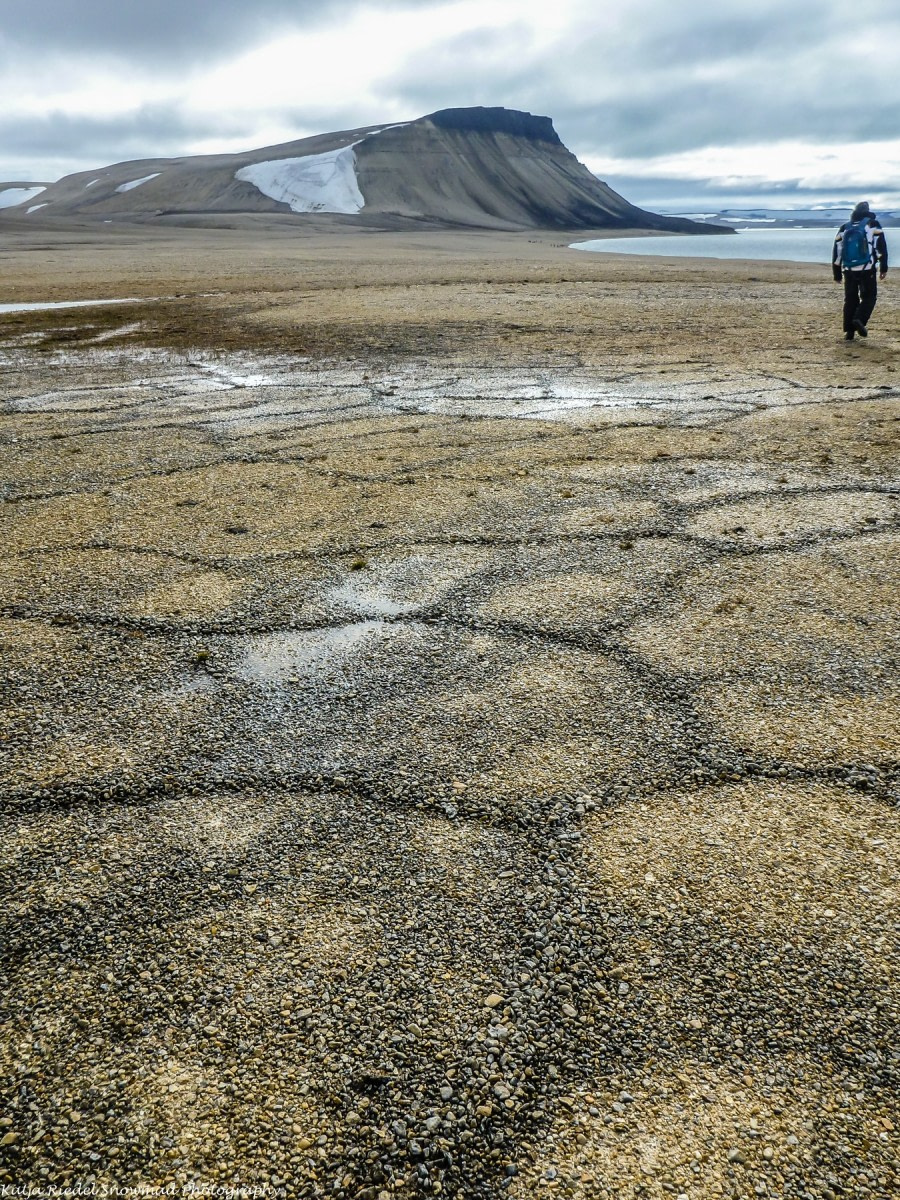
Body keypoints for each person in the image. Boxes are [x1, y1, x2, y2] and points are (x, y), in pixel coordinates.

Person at [832, 201, 888, 340]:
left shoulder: (844, 227)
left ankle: (849, 332)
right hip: (867, 268)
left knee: (850, 299)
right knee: (869, 297)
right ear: (867, 211)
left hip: (849, 268)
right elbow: (880, 247)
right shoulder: (873, 224)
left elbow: (837, 251)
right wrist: (883, 267)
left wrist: (837, 272)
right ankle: (859, 320)